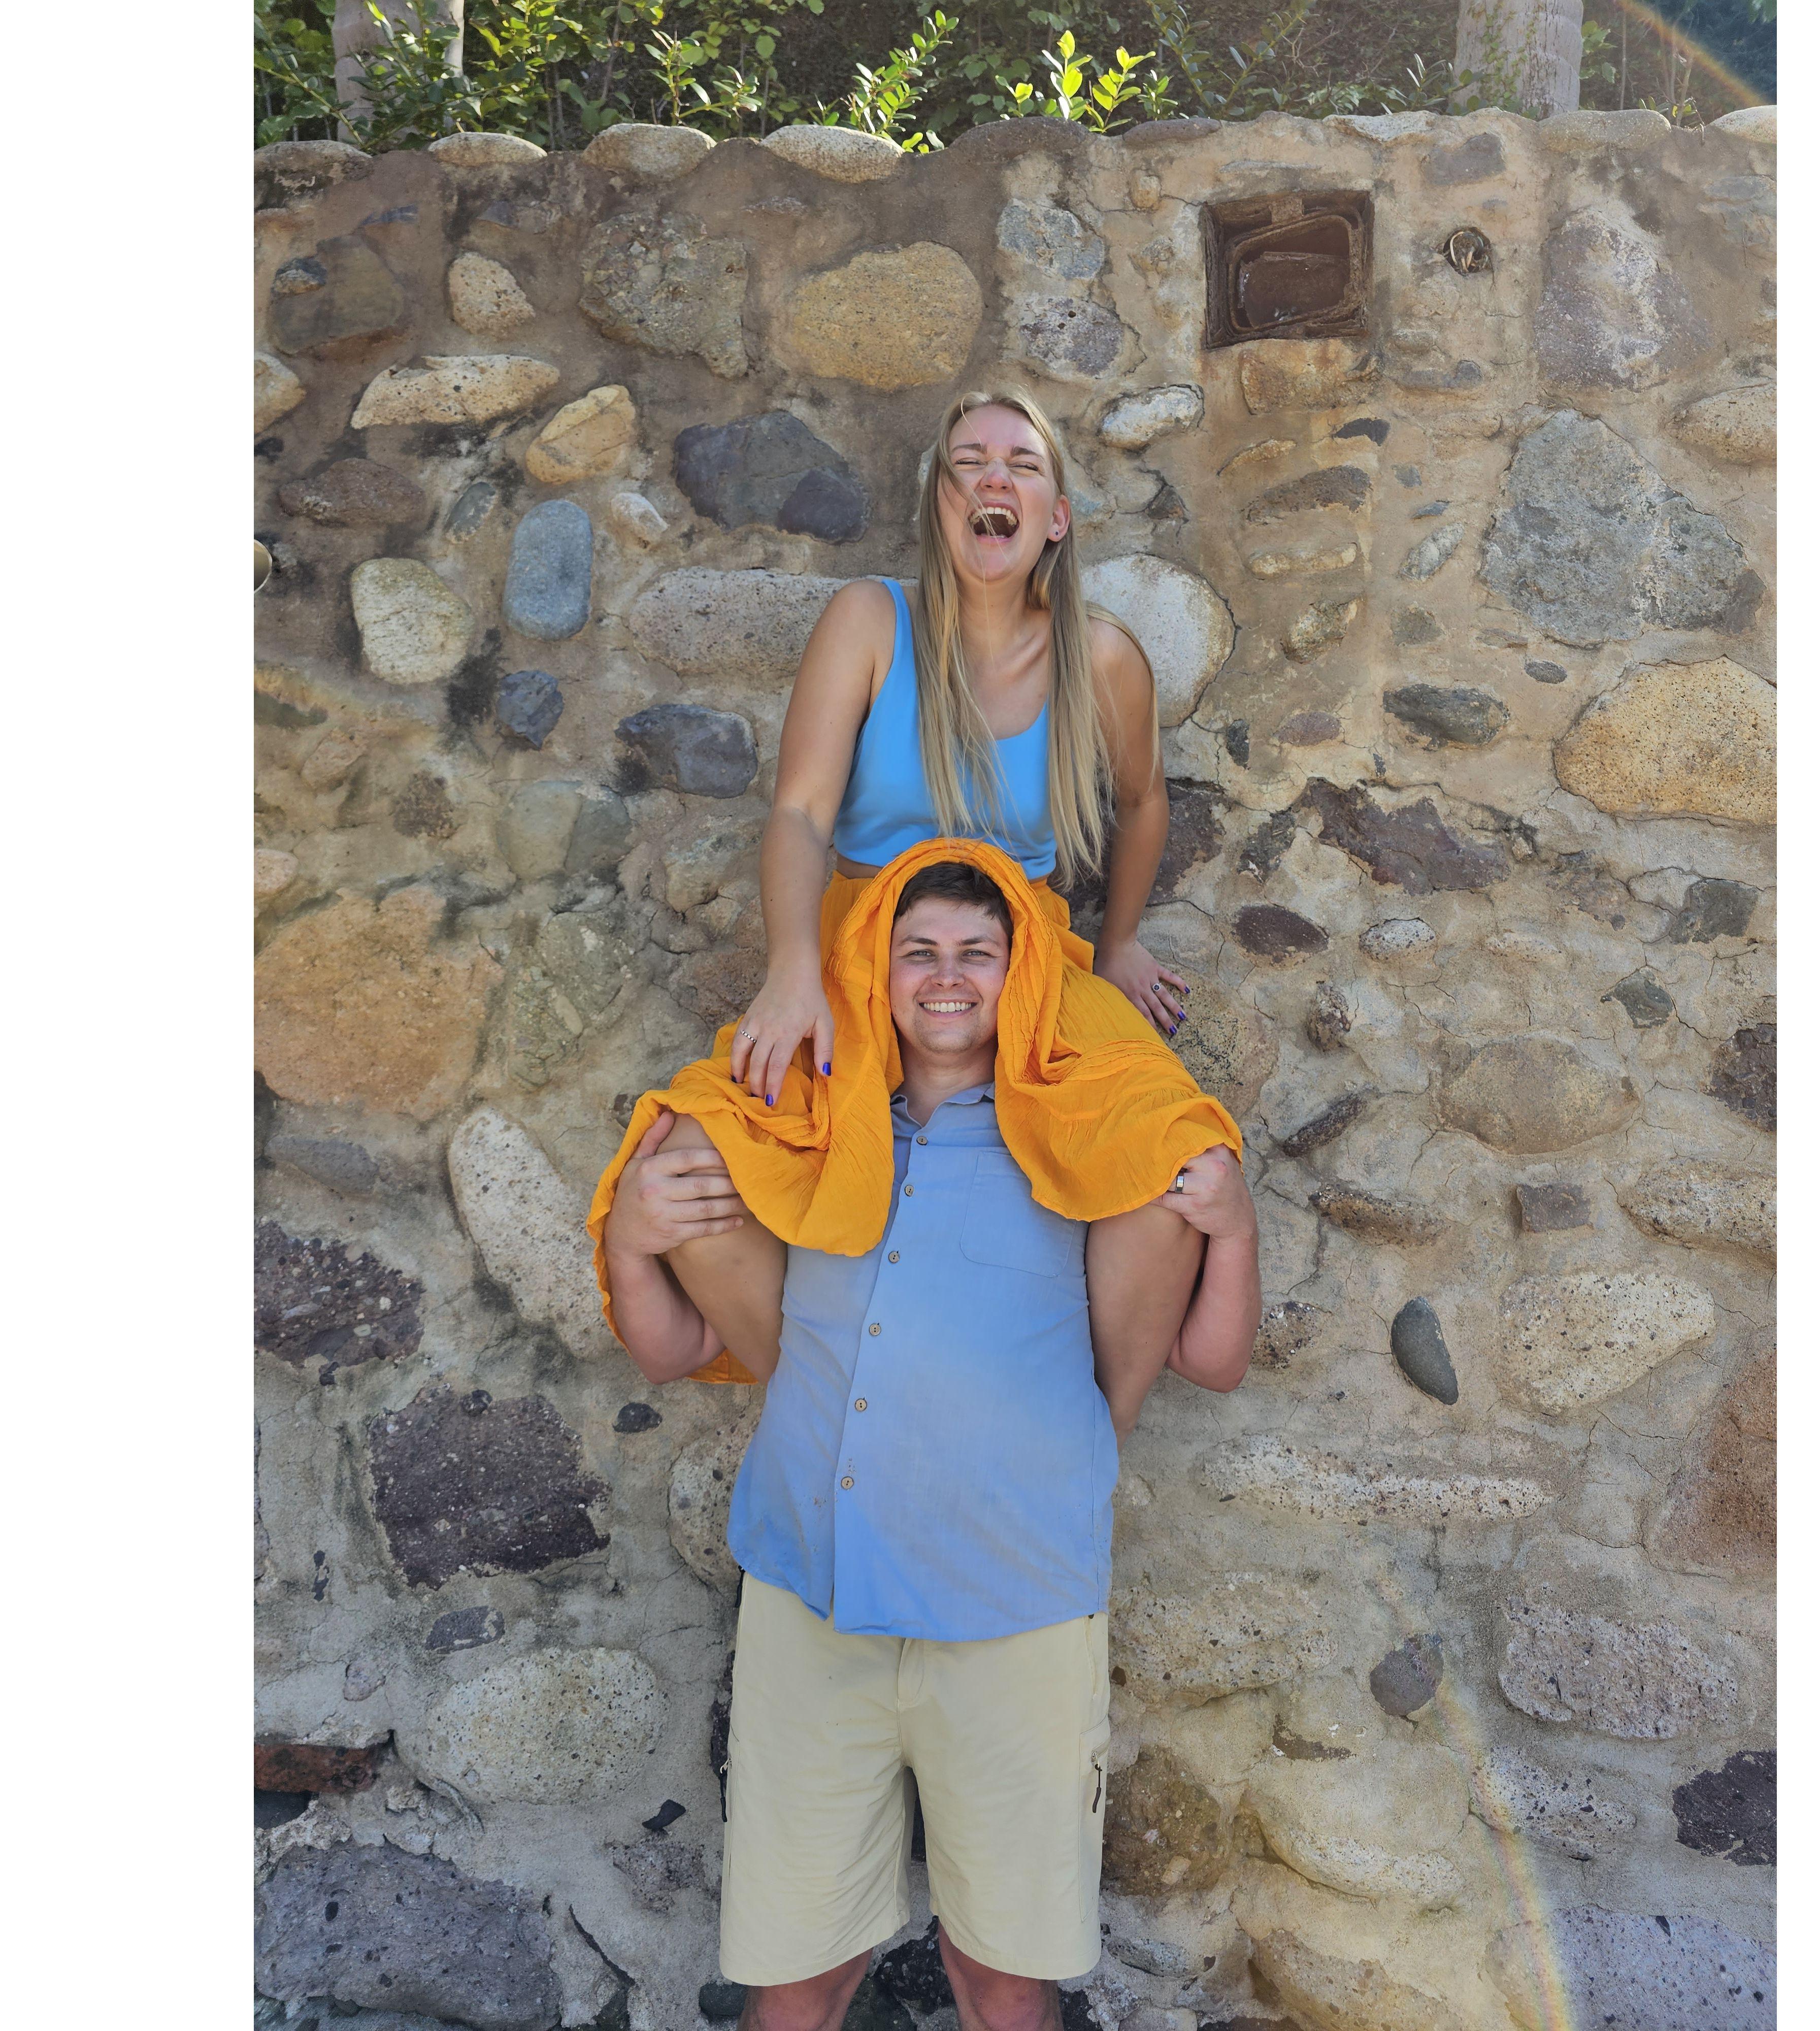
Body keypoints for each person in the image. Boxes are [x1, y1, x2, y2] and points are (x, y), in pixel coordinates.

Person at [600, 857, 1262, 2031]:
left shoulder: (1081, 1136)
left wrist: (1236, 1224)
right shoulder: (803, 1128)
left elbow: (1211, 1359)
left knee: (1002, 1981)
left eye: (975, 953)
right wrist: (629, 1239)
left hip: (1013, 1608)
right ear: (875, 969)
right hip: (814, 1601)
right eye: (918, 951)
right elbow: (670, 1348)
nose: (945, 976)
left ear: (1021, 976)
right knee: (796, 1978)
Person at [587, 390, 1239, 1383]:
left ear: (1056, 517)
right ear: (940, 503)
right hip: (862, 945)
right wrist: (792, 972)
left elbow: (1144, 801)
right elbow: (800, 812)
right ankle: (822, 1406)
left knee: (1174, 1149)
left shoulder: (1102, 659)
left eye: (1022, 464)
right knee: (685, 1155)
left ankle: (1092, 1429)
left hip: (1020, 956)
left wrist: (1117, 946)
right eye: (967, 462)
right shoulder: (869, 621)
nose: (992, 478)